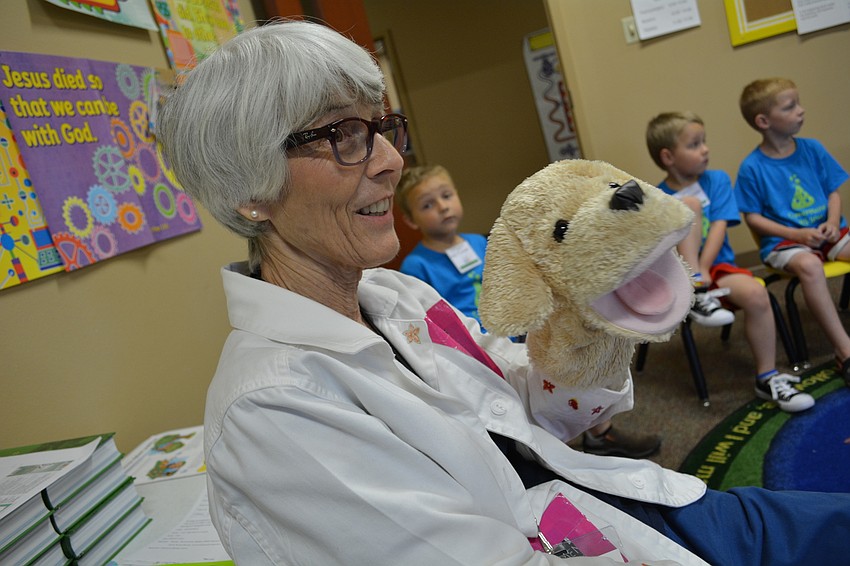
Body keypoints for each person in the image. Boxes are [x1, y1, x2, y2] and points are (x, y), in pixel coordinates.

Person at [156, 20, 850, 565]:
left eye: (382, 127)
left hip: (612, 509)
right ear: (250, 192)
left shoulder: (396, 298)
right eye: (344, 135)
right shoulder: (274, 413)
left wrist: (589, 318)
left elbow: (529, 406)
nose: (393, 161)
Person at [397, 164, 662, 458]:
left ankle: (599, 430)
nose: (442, 207)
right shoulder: (416, 265)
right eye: (427, 204)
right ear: (410, 219)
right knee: (533, 390)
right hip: (476, 343)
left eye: (446, 196)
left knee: (571, 353)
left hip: (517, 328)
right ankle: (552, 448)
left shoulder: (477, 242)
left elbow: (511, 277)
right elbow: (433, 315)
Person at [646, 111, 814, 413]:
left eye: (704, 141)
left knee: (757, 293)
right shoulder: (657, 198)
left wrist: (706, 271)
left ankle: (767, 377)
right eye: (695, 144)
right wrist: (694, 276)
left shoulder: (717, 180)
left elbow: (721, 226)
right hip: (677, 277)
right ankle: (696, 292)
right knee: (689, 206)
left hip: (716, 270)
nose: (705, 149)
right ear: (669, 157)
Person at [735, 78, 850, 386]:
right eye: (791, 106)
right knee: (810, 266)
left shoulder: (812, 149)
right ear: (764, 121)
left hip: (828, 232)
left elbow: (833, 193)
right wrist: (797, 235)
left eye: (798, 103)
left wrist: (832, 222)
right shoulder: (752, 168)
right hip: (785, 243)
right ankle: (845, 350)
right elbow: (753, 218)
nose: (801, 110)